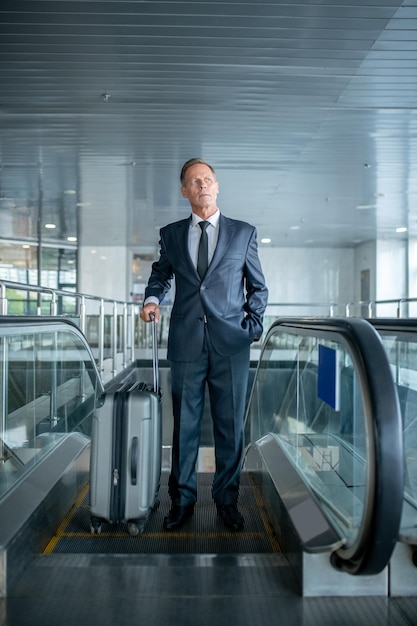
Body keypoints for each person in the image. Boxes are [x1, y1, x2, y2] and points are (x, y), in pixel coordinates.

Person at [140, 158, 268, 531]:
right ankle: (181, 502)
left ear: (217, 186)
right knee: (185, 426)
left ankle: (227, 500)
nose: (203, 186)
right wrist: (151, 299)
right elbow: (160, 274)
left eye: (208, 180)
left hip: (232, 344)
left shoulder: (243, 233)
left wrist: (252, 327)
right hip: (185, 343)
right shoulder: (172, 234)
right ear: (184, 191)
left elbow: (258, 287)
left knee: (230, 427)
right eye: (195, 182)